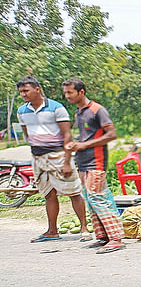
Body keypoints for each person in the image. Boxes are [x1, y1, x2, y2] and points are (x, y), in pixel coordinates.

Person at [16, 76, 90, 242]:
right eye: (21, 92)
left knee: (74, 192)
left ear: (37, 89)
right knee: (48, 194)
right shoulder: (22, 111)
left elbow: (67, 136)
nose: (23, 94)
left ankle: (84, 228)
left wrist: (66, 161)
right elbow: (27, 133)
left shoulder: (56, 108)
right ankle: (52, 231)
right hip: (38, 157)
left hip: (58, 155)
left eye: (26, 90)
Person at [62, 78, 125, 254]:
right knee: (90, 199)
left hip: (96, 161)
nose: (67, 96)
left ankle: (116, 238)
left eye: (70, 92)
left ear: (81, 92)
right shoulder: (78, 112)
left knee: (97, 198)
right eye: (65, 93)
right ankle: (103, 236)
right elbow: (86, 137)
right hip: (83, 162)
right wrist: (76, 144)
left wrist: (84, 145)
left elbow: (111, 134)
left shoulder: (98, 110)